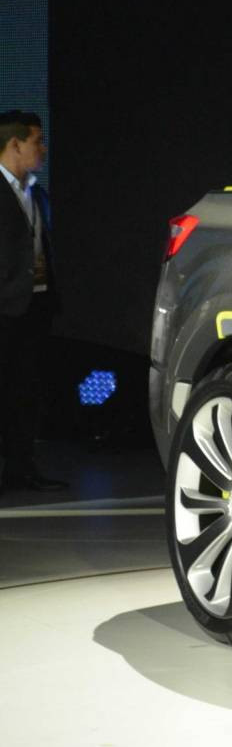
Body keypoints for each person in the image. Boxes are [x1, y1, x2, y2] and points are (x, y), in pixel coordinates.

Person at [0, 109, 66, 492]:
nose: (42, 148)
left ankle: (21, 468)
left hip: (35, 306)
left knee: (26, 391)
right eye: (36, 141)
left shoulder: (36, 192)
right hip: (4, 308)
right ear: (15, 144)